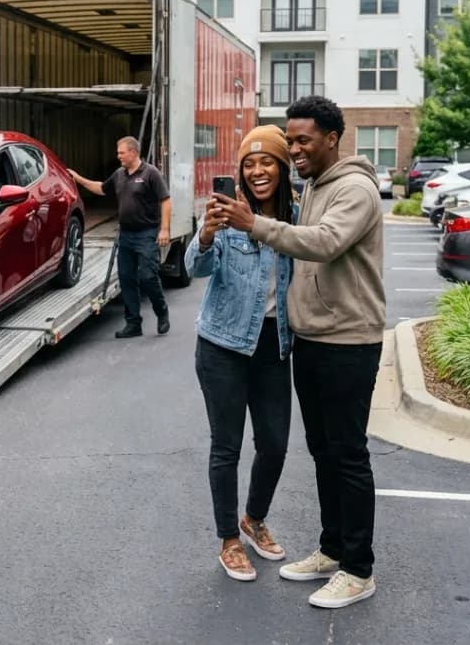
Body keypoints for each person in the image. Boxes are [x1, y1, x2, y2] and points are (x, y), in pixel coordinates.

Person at [211, 95, 385, 608]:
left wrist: (255, 226)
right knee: (324, 453)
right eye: (291, 139)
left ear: (333, 139)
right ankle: (332, 549)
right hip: (310, 341)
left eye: (303, 139)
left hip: (349, 341)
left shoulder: (355, 189)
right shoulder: (313, 187)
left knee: (349, 456)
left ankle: (358, 568)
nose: (295, 148)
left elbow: (325, 242)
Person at [185, 125, 297, 582]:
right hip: (222, 346)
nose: (257, 171)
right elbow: (195, 268)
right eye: (249, 164)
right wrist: (207, 235)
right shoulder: (227, 213)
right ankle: (229, 538)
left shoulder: (294, 216)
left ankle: (254, 517)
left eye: (266, 161)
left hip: (274, 344)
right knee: (226, 447)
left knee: (274, 443)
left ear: (282, 167)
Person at [68, 136, 170, 338]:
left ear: (133, 152)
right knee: (126, 279)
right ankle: (133, 324)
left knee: (148, 276)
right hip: (126, 235)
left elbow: (165, 200)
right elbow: (100, 188)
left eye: (121, 152)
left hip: (146, 234)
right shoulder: (119, 175)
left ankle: (162, 312)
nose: (118, 156)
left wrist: (164, 229)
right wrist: (78, 179)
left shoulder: (151, 174)